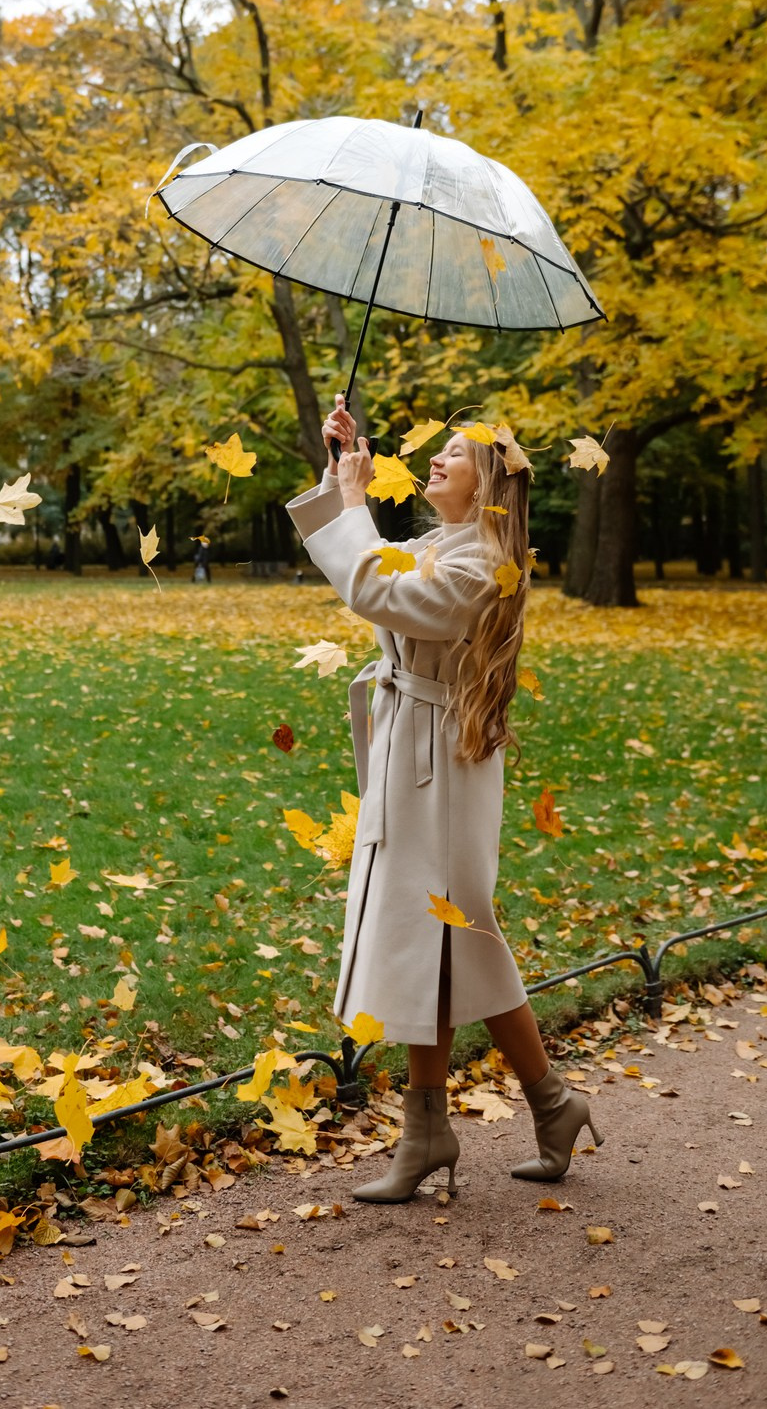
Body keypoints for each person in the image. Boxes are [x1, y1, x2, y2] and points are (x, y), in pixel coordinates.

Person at [285, 394, 604, 1203]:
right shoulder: (442, 542)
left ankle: (547, 1104)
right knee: (424, 938)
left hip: (446, 768)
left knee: (460, 933)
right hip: (410, 750)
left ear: (490, 481)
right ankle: (436, 1130)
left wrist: (354, 503)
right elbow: (375, 567)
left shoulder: (484, 561)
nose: (434, 460)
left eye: (454, 455)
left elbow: (374, 590)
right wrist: (339, 466)